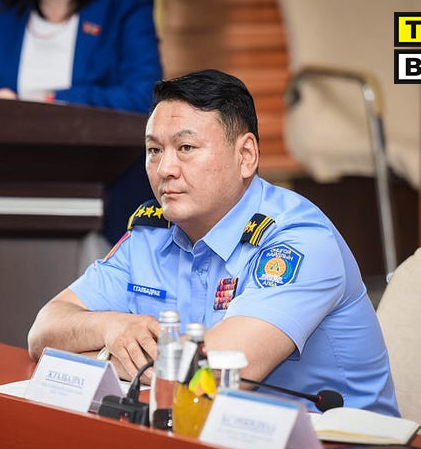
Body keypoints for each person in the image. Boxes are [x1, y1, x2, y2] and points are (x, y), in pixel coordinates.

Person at [27, 69, 399, 416]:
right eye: (154, 150)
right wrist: (111, 327)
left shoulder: (298, 240)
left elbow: (217, 375)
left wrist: (99, 358)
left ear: (246, 156)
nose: (165, 169)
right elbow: (43, 332)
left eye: (186, 148)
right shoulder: (151, 232)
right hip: (213, 434)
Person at [0, 0, 162, 242]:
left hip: (101, 174)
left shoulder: (125, 1)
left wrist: (48, 101)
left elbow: (142, 95)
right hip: (1, 173)